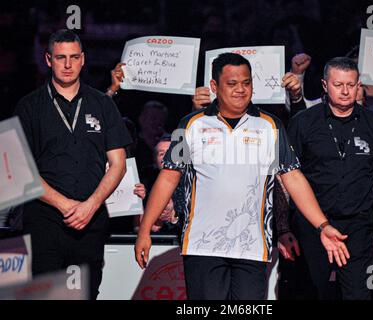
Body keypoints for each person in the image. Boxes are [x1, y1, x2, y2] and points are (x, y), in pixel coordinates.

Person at [135, 52, 350, 300]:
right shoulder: (190, 124)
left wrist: (322, 225)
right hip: (202, 246)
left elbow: (293, 178)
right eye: (232, 83)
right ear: (214, 86)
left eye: (246, 83)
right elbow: (169, 177)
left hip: (252, 248)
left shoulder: (270, 125)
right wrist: (144, 230)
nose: (241, 89)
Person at [14, 29, 132, 299]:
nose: (67, 65)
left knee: (86, 295)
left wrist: (89, 206)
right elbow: (21, 171)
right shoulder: (28, 106)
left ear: (83, 60)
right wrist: (67, 206)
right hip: (45, 222)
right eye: (60, 58)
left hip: (91, 222)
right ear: (48, 60)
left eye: (73, 57)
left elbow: (118, 164)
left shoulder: (103, 104)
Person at [283, 57, 373, 300]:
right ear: (325, 85)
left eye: (351, 84)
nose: (346, 91)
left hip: (357, 227)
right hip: (310, 226)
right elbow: (285, 179)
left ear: (359, 85)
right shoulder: (303, 122)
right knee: (307, 293)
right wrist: (283, 228)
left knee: (359, 295)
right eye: (338, 85)